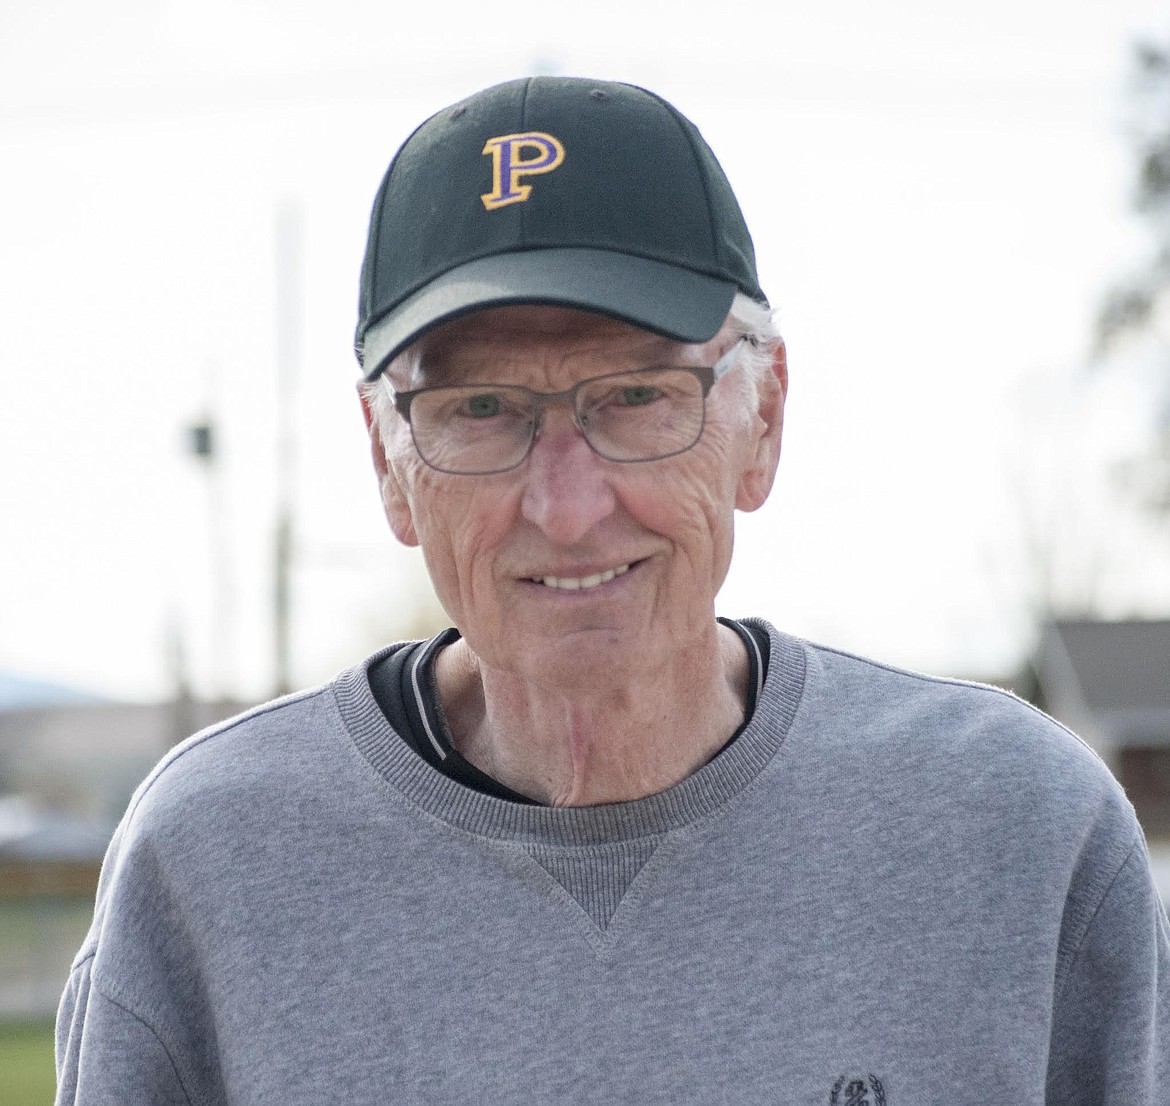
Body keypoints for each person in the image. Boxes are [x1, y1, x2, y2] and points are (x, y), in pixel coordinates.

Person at [56, 76, 1168, 1105]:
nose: (568, 503)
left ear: (763, 420)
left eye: (637, 394)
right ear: (386, 460)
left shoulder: (1017, 834)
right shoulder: (212, 864)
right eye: (479, 409)